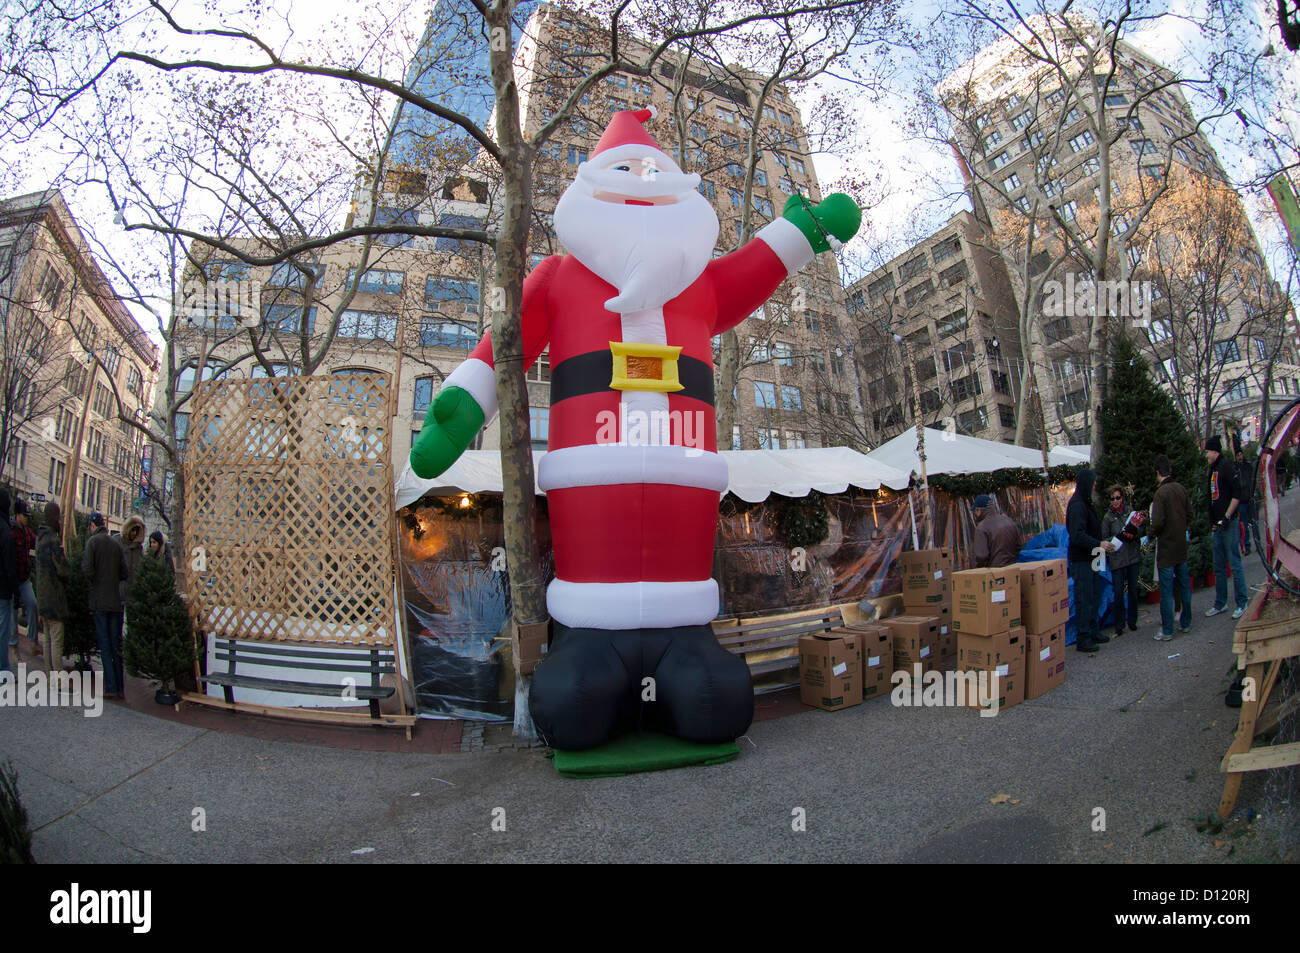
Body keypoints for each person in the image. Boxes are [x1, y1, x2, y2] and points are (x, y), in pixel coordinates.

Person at [82, 511, 127, 699]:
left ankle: (110, 687)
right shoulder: (115, 545)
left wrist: (96, 581)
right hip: (116, 603)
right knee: (116, 646)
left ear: (93, 526)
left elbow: (86, 570)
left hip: (100, 602)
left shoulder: (92, 543)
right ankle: (120, 687)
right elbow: (124, 573)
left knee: (105, 646)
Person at [1066, 468, 1112, 653]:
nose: (1095, 485)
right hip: (1082, 559)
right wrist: (1098, 543)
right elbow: (1077, 535)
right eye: (1092, 482)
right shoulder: (1077, 505)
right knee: (1084, 598)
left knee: (1093, 595)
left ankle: (1093, 631)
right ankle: (1083, 637)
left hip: (1091, 557)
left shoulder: (1085, 502)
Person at [1149, 454, 1193, 640]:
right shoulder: (1181, 489)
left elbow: (1157, 521)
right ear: (1170, 470)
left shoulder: (1161, 493)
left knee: (1167, 591)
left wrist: (1150, 533)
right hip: (1180, 546)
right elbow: (1190, 514)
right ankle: (1186, 622)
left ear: (1158, 472)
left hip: (1166, 548)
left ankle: (1167, 630)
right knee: (1184, 586)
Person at [1205, 435, 1248, 620]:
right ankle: (1221, 603)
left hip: (1229, 525)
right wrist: (1213, 522)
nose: (1205, 454)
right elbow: (1212, 497)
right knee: (1219, 567)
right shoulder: (1212, 470)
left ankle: (1242, 602)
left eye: (1207, 451)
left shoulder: (1226, 467)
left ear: (1215, 451)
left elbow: (1237, 493)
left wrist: (1227, 516)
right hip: (1217, 527)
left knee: (1235, 565)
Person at [1100, 485, 1142, 638]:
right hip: (1117, 558)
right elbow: (1103, 538)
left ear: (1122, 498)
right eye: (1113, 499)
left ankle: (1132, 620)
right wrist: (1112, 541)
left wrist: (1134, 533)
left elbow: (1140, 530)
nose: (1116, 501)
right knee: (1118, 592)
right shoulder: (1107, 518)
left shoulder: (1130, 512)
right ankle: (1119, 624)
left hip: (1132, 556)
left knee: (1133, 589)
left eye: (1118, 498)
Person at [34, 501, 71, 671]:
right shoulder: (53, 541)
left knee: (47, 639)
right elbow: (63, 571)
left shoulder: (39, 539)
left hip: (42, 596)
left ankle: (50, 676)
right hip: (55, 598)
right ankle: (59, 679)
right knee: (56, 639)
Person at [11, 498, 41, 658]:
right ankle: (14, 646)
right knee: (12, 614)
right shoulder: (11, 531)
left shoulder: (26, 531)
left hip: (24, 579)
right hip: (12, 581)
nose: (27, 518)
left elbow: (36, 542)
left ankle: (33, 640)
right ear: (17, 515)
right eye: (24, 515)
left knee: (32, 604)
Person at [972, 493, 1023, 568]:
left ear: (978, 510)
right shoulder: (1009, 520)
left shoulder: (982, 527)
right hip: (1013, 568)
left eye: (975, 511)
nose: (975, 514)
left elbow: (981, 556)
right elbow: (1018, 546)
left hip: (995, 572)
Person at [0, 489, 18, 678]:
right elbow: (9, 565)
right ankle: (2, 669)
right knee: (2, 630)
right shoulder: (6, 531)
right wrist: (15, 590)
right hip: (3, 589)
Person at [1235, 450, 1255, 556]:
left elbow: (1253, 479)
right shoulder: (1235, 469)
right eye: (1237, 455)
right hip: (1242, 500)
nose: (1240, 457)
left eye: (1241, 454)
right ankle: (1247, 546)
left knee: (1254, 522)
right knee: (1245, 525)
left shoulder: (1248, 466)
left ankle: (1258, 542)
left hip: (1250, 497)